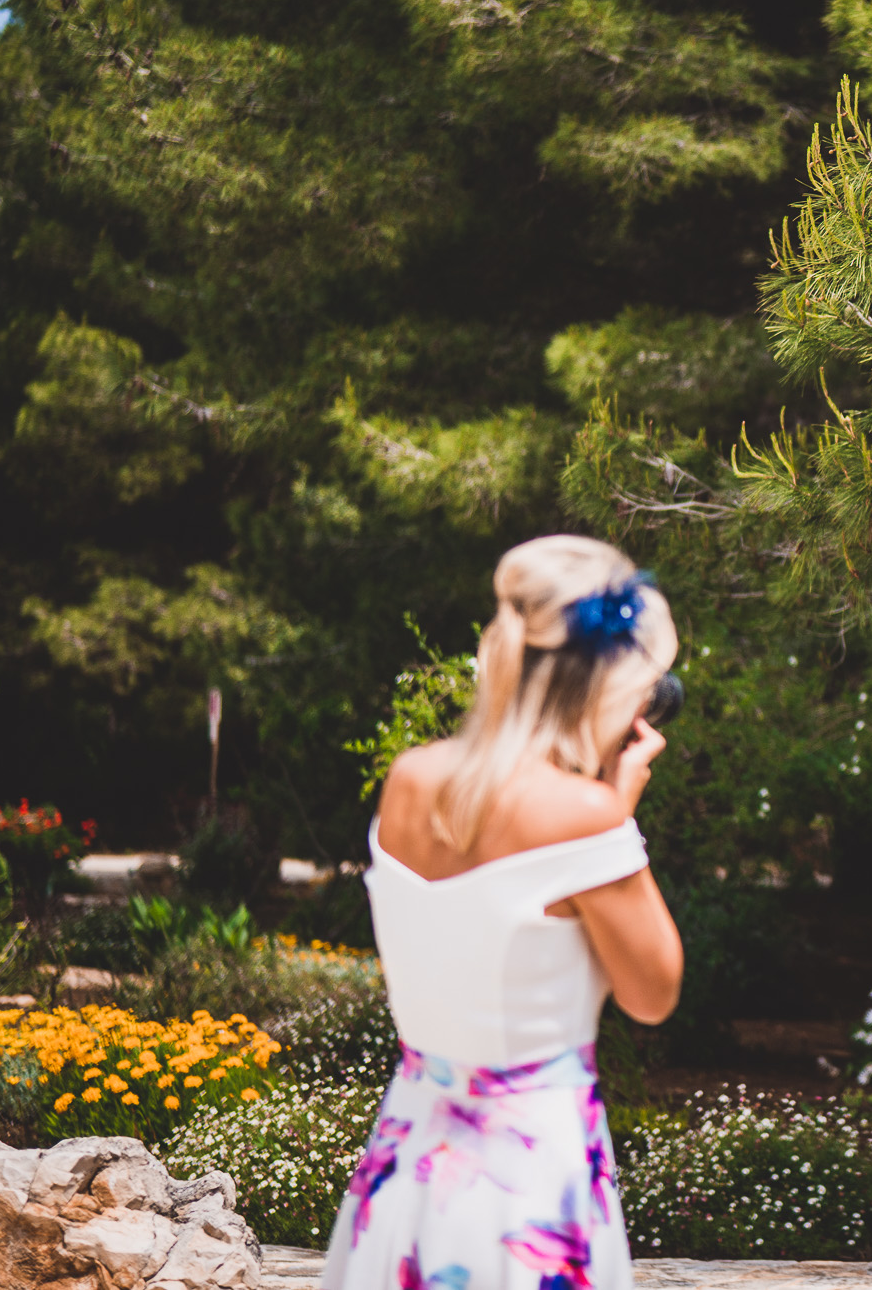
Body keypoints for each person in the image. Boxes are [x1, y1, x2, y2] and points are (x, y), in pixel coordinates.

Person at [326, 534, 685, 1290]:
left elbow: (489, 910)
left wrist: (601, 821)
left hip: (411, 1160)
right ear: (607, 683)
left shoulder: (410, 778)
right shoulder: (586, 819)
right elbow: (653, 993)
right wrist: (614, 819)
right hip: (528, 1187)